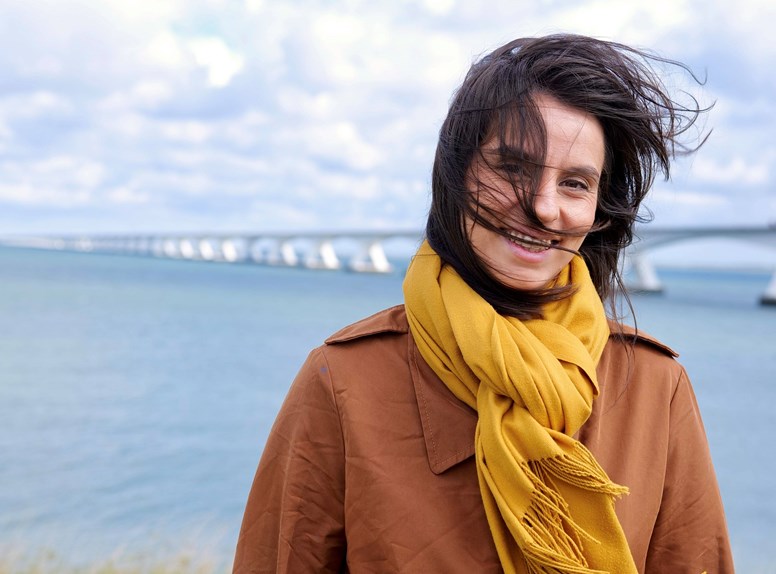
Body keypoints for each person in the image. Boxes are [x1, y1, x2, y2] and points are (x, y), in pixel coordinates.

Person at [233, 34, 734, 573]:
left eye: (574, 183)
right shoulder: (344, 380)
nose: (543, 208)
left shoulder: (655, 386)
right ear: (456, 174)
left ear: (598, 209)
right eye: (512, 168)